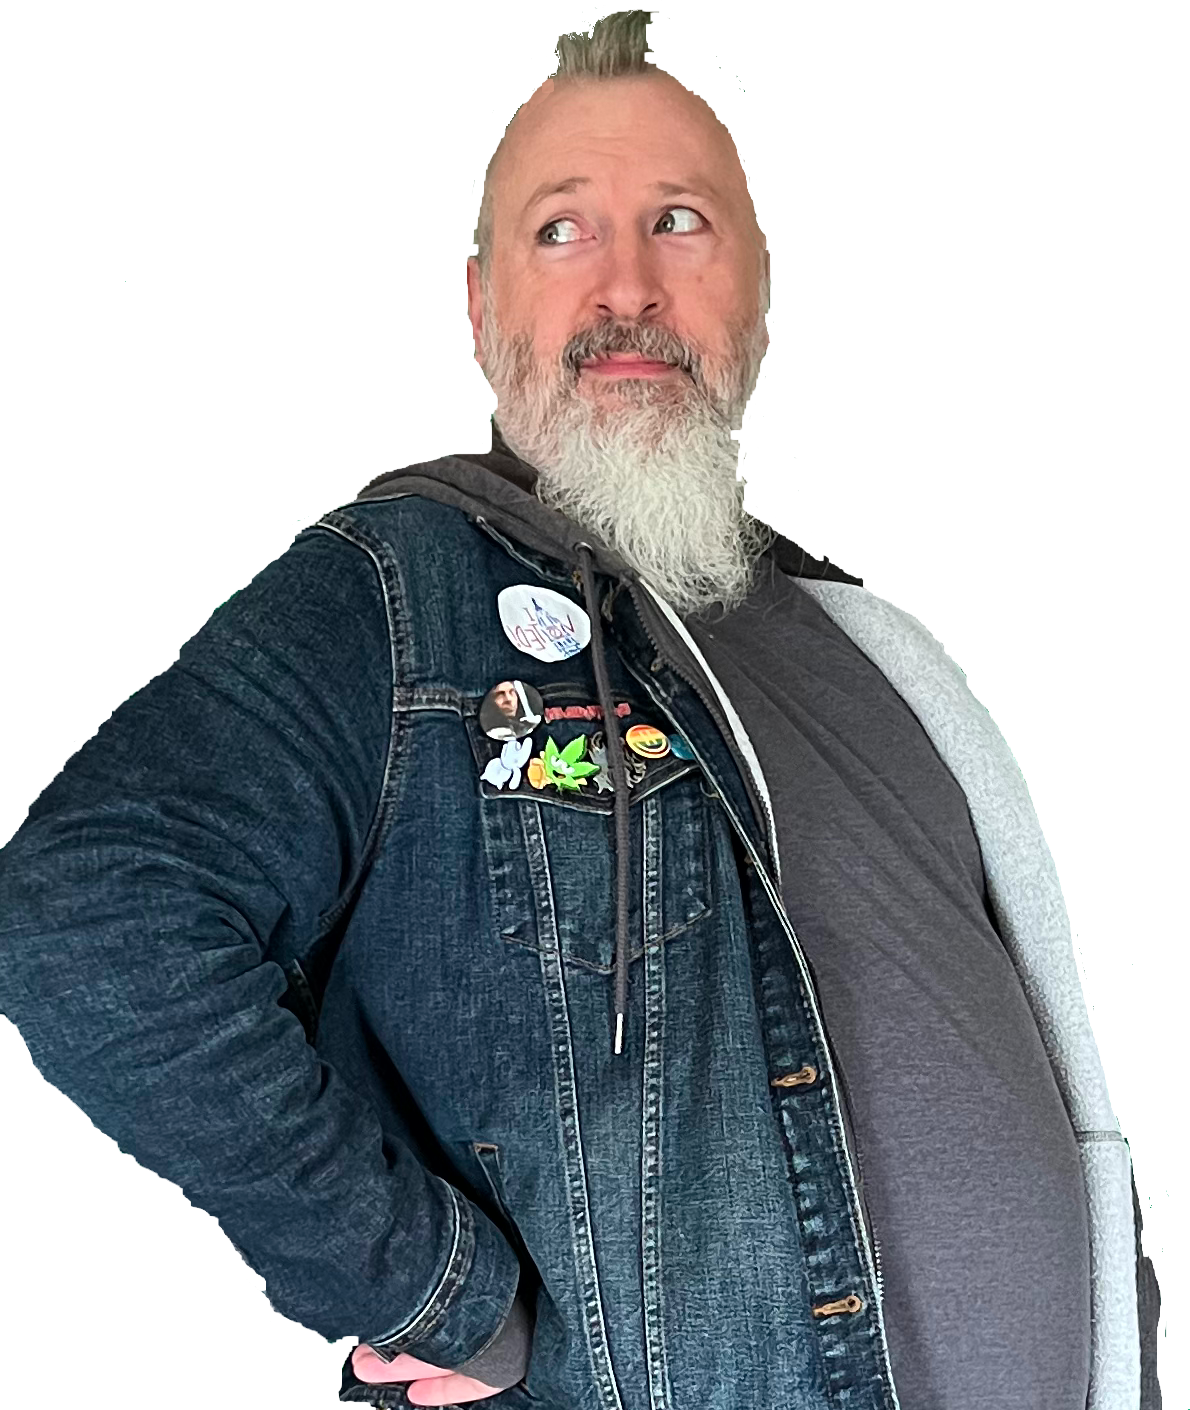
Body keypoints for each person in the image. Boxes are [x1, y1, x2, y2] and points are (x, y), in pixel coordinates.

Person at [0, 10, 1161, 1409]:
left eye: (680, 222)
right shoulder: (402, 586)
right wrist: (434, 1292)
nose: (628, 286)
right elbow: (96, 908)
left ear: (758, 294)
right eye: (561, 230)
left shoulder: (884, 649)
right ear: (480, 308)